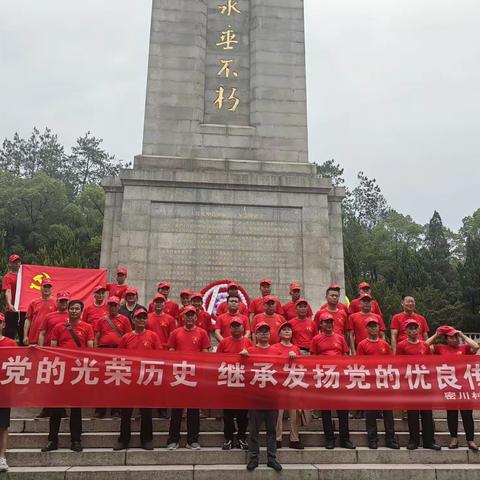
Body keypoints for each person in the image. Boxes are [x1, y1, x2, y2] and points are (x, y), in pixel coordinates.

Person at [42, 300, 94, 453]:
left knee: (76, 409)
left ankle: (76, 440)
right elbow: (53, 348)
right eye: (71, 308)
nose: (73, 311)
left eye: (77, 309)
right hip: (61, 372)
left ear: (81, 311)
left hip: (77, 373)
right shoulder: (59, 327)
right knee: (55, 409)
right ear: (68, 310)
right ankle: (52, 440)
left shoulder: (87, 327)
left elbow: (90, 349)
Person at [114, 308, 162, 450]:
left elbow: (159, 356)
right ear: (133, 320)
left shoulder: (153, 336)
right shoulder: (126, 337)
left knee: (146, 411)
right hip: (129, 378)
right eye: (138, 317)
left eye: (143, 317)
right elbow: (120, 357)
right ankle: (123, 439)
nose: (141, 320)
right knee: (126, 412)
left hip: (146, 377)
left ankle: (147, 439)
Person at [427, 326, 479, 450]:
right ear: (446, 339)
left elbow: (476, 347)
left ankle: (470, 440)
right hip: (449, 385)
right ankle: (454, 439)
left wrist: (462, 334)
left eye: (455, 337)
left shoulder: (464, 348)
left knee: (467, 414)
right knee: (452, 413)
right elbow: (424, 346)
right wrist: (436, 335)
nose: (454, 339)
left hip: (465, 385)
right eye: (451, 337)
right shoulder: (441, 348)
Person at [240, 322, 282, 472]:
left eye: (266, 331)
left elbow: (283, 370)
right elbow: (241, 371)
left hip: (272, 397)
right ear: (255, 334)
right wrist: (243, 358)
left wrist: (291, 357)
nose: (264, 334)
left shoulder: (276, 352)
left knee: (272, 431)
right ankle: (253, 458)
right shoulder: (249, 351)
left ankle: (272, 458)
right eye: (261, 331)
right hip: (255, 397)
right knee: (253, 430)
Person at [167, 306, 211, 450]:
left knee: (193, 410)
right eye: (187, 315)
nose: (190, 317)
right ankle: (173, 440)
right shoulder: (175, 333)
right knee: (177, 410)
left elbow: (205, 353)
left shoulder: (202, 333)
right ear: (183, 317)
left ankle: (192, 440)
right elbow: (171, 351)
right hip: (178, 375)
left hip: (194, 376)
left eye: (192, 315)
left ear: (196, 317)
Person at [310, 314, 355, 449]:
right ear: (321, 324)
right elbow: (313, 359)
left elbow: (346, 357)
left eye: (331, 322)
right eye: (326, 322)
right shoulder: (316, 339)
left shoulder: (340, 338)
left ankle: (345, 439)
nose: (329, 324)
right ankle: (329, 439)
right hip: (325, 378)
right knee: (326, 411)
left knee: (343, 411)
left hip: (339, 378)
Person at [396, 321, 440, 451]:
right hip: (410, 384)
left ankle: (429, 441)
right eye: (411, 328)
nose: (413, 331)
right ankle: (413, 440)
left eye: (415, 328)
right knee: (412, 414)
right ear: (406, 331)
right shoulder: (401, 345)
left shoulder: (424, 346)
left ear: (419, 330)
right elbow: (399, 363)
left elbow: (430, 362)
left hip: (424, 384)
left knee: (427, 413)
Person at [356, 318, 399, 450]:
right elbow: (360, 364)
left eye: (375, 326)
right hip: (370, 381)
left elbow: (390, 362)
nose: (373, 328)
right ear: (367, 329)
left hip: (383, 380)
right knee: (370, 412)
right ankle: (372, 439)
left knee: (388, 412)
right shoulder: (362, 344)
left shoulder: (384, 344)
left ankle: (390, 438)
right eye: (370, 326)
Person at [216, 318, 252, 450]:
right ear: (230, 329)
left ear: (243, 328)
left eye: (238, 326)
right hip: (229, 382)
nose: (236, 328)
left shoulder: (248, 342)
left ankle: (242, 437)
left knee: (243, 415)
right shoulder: (224, 342)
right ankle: (229, 438)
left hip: (243, 382)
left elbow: (253, 361)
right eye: (234, 326)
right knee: (228, 415)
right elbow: (217, 361)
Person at [94, 296, 132, 419]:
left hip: (118, 352)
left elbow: (128, 336)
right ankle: (100, 409)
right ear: (108, 306)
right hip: (104, 351)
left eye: (115, 305)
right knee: (102, 381)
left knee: (117, 380)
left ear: (118, 306)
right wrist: (95, 352)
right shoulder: (101, 320)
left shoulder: (125, 320)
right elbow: (97, 336)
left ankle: (116, 409)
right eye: (110, 305)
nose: (113, 307)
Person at [273, 322, 304, 450]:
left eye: (289, 330)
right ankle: (277, 438)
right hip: (279, 383)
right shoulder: (274, 347)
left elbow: (301, 365)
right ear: (279, 333)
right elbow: (272, 363)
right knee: (278, 414)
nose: (287, 332)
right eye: (284, 330)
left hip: (293, 382)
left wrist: (295, 358)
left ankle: (294, 438)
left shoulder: (296, 349)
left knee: (294, 413)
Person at [0, 313, 17, 472]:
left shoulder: (11, 343)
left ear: (3, 325)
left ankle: (2, 457)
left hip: (4, 390)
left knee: (3, 426)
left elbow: (20, 363)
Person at [24, 278, 56, 345]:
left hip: (49, 338)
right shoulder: (33, 302)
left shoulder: (56, 302)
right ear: (40, 288)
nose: (46, 289)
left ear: (52, 289)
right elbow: (28, 320)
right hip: (33, 337)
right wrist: (25, 335)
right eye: (44, 286)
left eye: (49, 287)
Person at [1, 254, 25, 343]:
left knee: (24, 334)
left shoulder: (25, 275)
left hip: (24, 309)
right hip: (12, 310)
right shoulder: (8, 277)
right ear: (10, 264)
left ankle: (24, 356)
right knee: (9, 334)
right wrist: (10, 304)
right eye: (14, 262)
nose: (17, 264)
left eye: (18, 261)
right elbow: (8, 291)